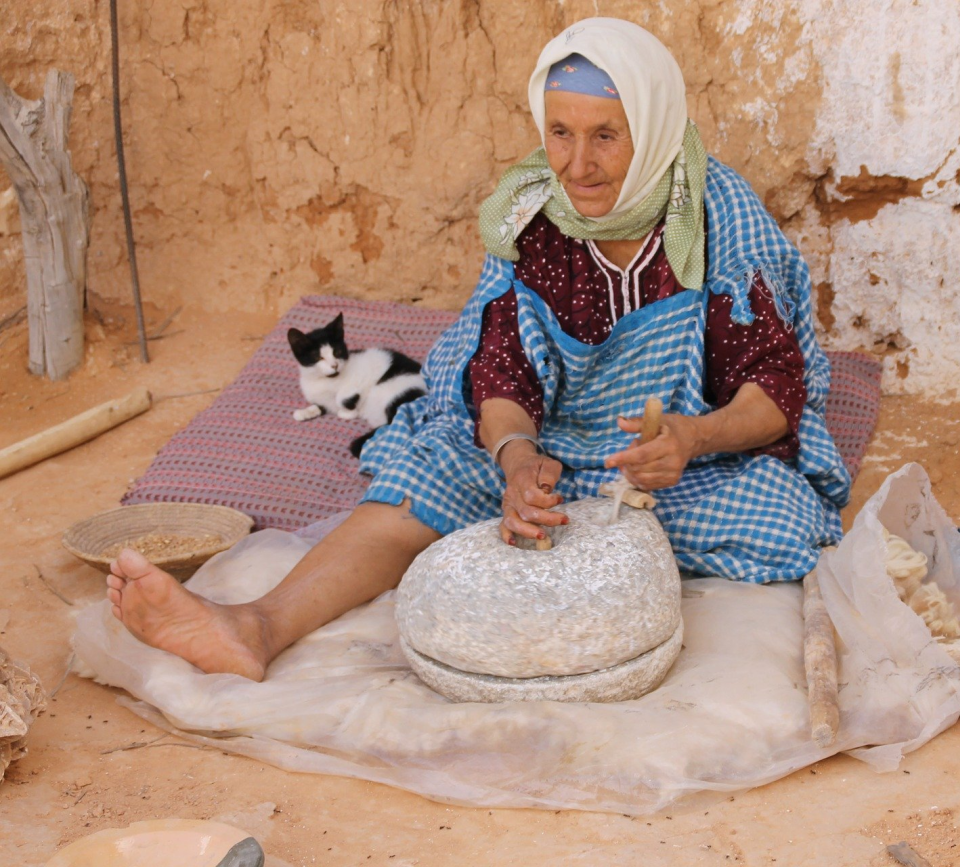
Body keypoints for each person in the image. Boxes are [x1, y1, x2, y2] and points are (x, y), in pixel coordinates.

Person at [105, 18, 851, 682]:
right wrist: (516, 461)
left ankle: (610, 517)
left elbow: (774, 388)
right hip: (548, 441)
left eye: (606, 135)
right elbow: (501, 366)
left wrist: (693, 436)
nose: (578, 165)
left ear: (652, 128)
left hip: (676, 459)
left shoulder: (715, 211)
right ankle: (255, 625)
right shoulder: (529, 213)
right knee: (427, 473)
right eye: (560, 132)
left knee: (779, 518)